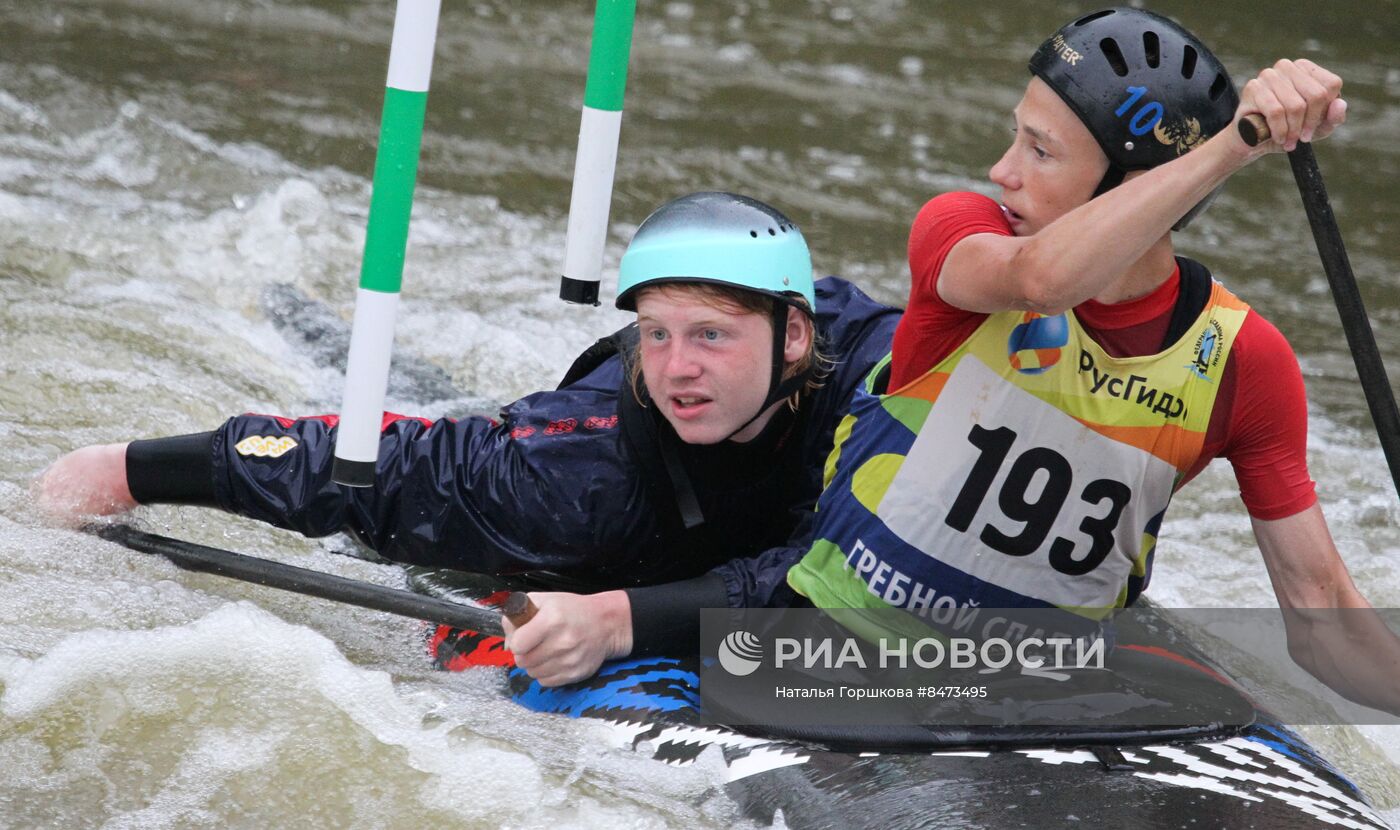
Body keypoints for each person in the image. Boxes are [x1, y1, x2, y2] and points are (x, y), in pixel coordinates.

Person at [564, 8, 1400, 710]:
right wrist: (1234, 144)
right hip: (830, 658)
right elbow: (1041, 282)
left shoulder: (1246, 360)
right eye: (1016, 138)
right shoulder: (963, 235)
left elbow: (1322, 616)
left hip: (1042, 695)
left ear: (1132, 186)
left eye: (1040, 152)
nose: (1004, 170)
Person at [35, 191, 901, 684]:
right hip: (560, 474)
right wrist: (130, 469)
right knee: (420, 419)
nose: (677, 368)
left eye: (711, 335)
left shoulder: (877, 369)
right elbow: (368, 469)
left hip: (704, 523)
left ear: (795, 336)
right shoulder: (568, 481)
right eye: (659, 332)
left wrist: (618, 623)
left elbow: (829, 576)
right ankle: (294, 314)